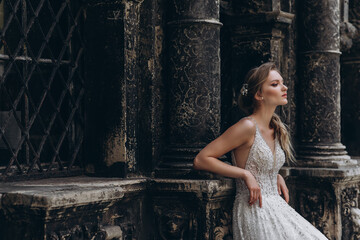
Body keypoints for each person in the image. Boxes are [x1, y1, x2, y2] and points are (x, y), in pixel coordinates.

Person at [193, 62, 328, 239]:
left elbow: (261, 164)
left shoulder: (277, 128)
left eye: (282, 82)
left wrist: (273, 174)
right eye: (275, 84)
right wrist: (245, 174)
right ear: (259, 94)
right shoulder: (247, 126)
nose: (284, 87)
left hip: (276, 206)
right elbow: (201, 159)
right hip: (255, 209)